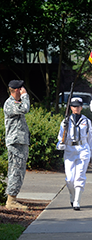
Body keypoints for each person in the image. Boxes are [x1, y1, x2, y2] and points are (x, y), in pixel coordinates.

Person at [57, 97, 92, 211]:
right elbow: (60, 136)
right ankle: (72, 195)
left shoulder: (86, 121)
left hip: (83, 148)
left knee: (80, 176)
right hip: (70, 149)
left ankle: (77, 201)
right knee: (69, 179)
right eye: (74, 106)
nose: (76, 108)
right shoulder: (65, 121)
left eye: (78, 106)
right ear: (70, 107)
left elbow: (91, 139)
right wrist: (60, 144)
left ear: (81, 107)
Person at [4, 80, 30, 210]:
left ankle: (12, 198)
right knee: (15, 170)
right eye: (21, 88)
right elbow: (25, 108)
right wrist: (25, 96)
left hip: (20, 141)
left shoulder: (16, 103)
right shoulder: (10, 104)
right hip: (15, 142)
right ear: (16, 90)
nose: (23, 89)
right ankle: (11, 201)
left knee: (19, 171)